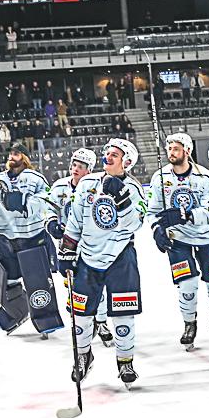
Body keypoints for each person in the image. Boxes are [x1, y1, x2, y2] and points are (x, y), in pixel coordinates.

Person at [58, 139, 145, 387]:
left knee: (124, 314)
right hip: (87, 259)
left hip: (120, 259)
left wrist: (122, 198)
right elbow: (75, 221)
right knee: (81, 314)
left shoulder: (134, 189)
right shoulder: (87, 184)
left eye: (115, 154)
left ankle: (125, 361)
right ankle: (83, 356)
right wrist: (66, 252)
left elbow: (136, 223)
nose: (108, 156)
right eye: (107, 152)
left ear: (127, 162)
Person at [146, 132, 209, 349]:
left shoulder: (205, 177)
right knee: (187, 284)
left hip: (206, 237)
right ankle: (190, 324)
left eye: (176, 149)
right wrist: (156, 229)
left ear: (187, 151)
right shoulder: (159, 178)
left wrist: (186, 215)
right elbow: (153, 211)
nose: (171, 153)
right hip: (178, 240)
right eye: (169, 149)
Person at [0, 143, 63, 338]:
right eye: (11, 153)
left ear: (25, 157)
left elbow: (48, 201)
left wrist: (25, 203)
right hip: (7, 241)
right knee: (5, 283)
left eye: (17, 153)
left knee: (38, 284)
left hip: (32, 239)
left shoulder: (35, 179)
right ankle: (18, 312)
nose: (12, 156)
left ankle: (46, 320)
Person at [45, 147, 113, 348]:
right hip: (69, 246)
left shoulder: (98, 187)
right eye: (74, 164)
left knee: (97, 285)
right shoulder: (59, 187)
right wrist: (51, 223)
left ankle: (101, 322)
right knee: (73, 287)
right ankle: (83, 323)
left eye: (81, 166)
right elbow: (47, 208)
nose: (75, 169)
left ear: (89, 170)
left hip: (93, 245)